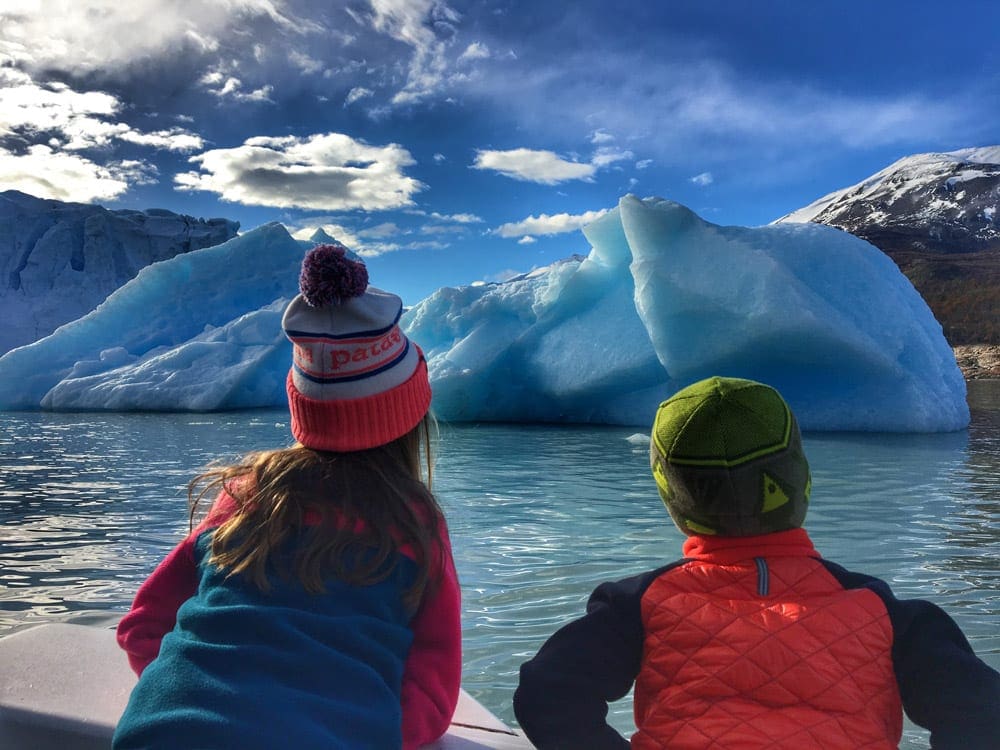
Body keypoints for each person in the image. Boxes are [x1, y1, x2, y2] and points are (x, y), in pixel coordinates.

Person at [513, 376, 1000, 749]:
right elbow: (983, 714)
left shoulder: (640, 604)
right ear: (801, 481)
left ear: (675, 502)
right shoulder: (886, 611)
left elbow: (546, 693)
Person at [113, 244, 462, 750]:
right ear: (412, 419)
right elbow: (433, 694)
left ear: (301, 408)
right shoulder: (414, 524)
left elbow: (142, 625)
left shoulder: (244, 496)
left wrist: (183, 696)